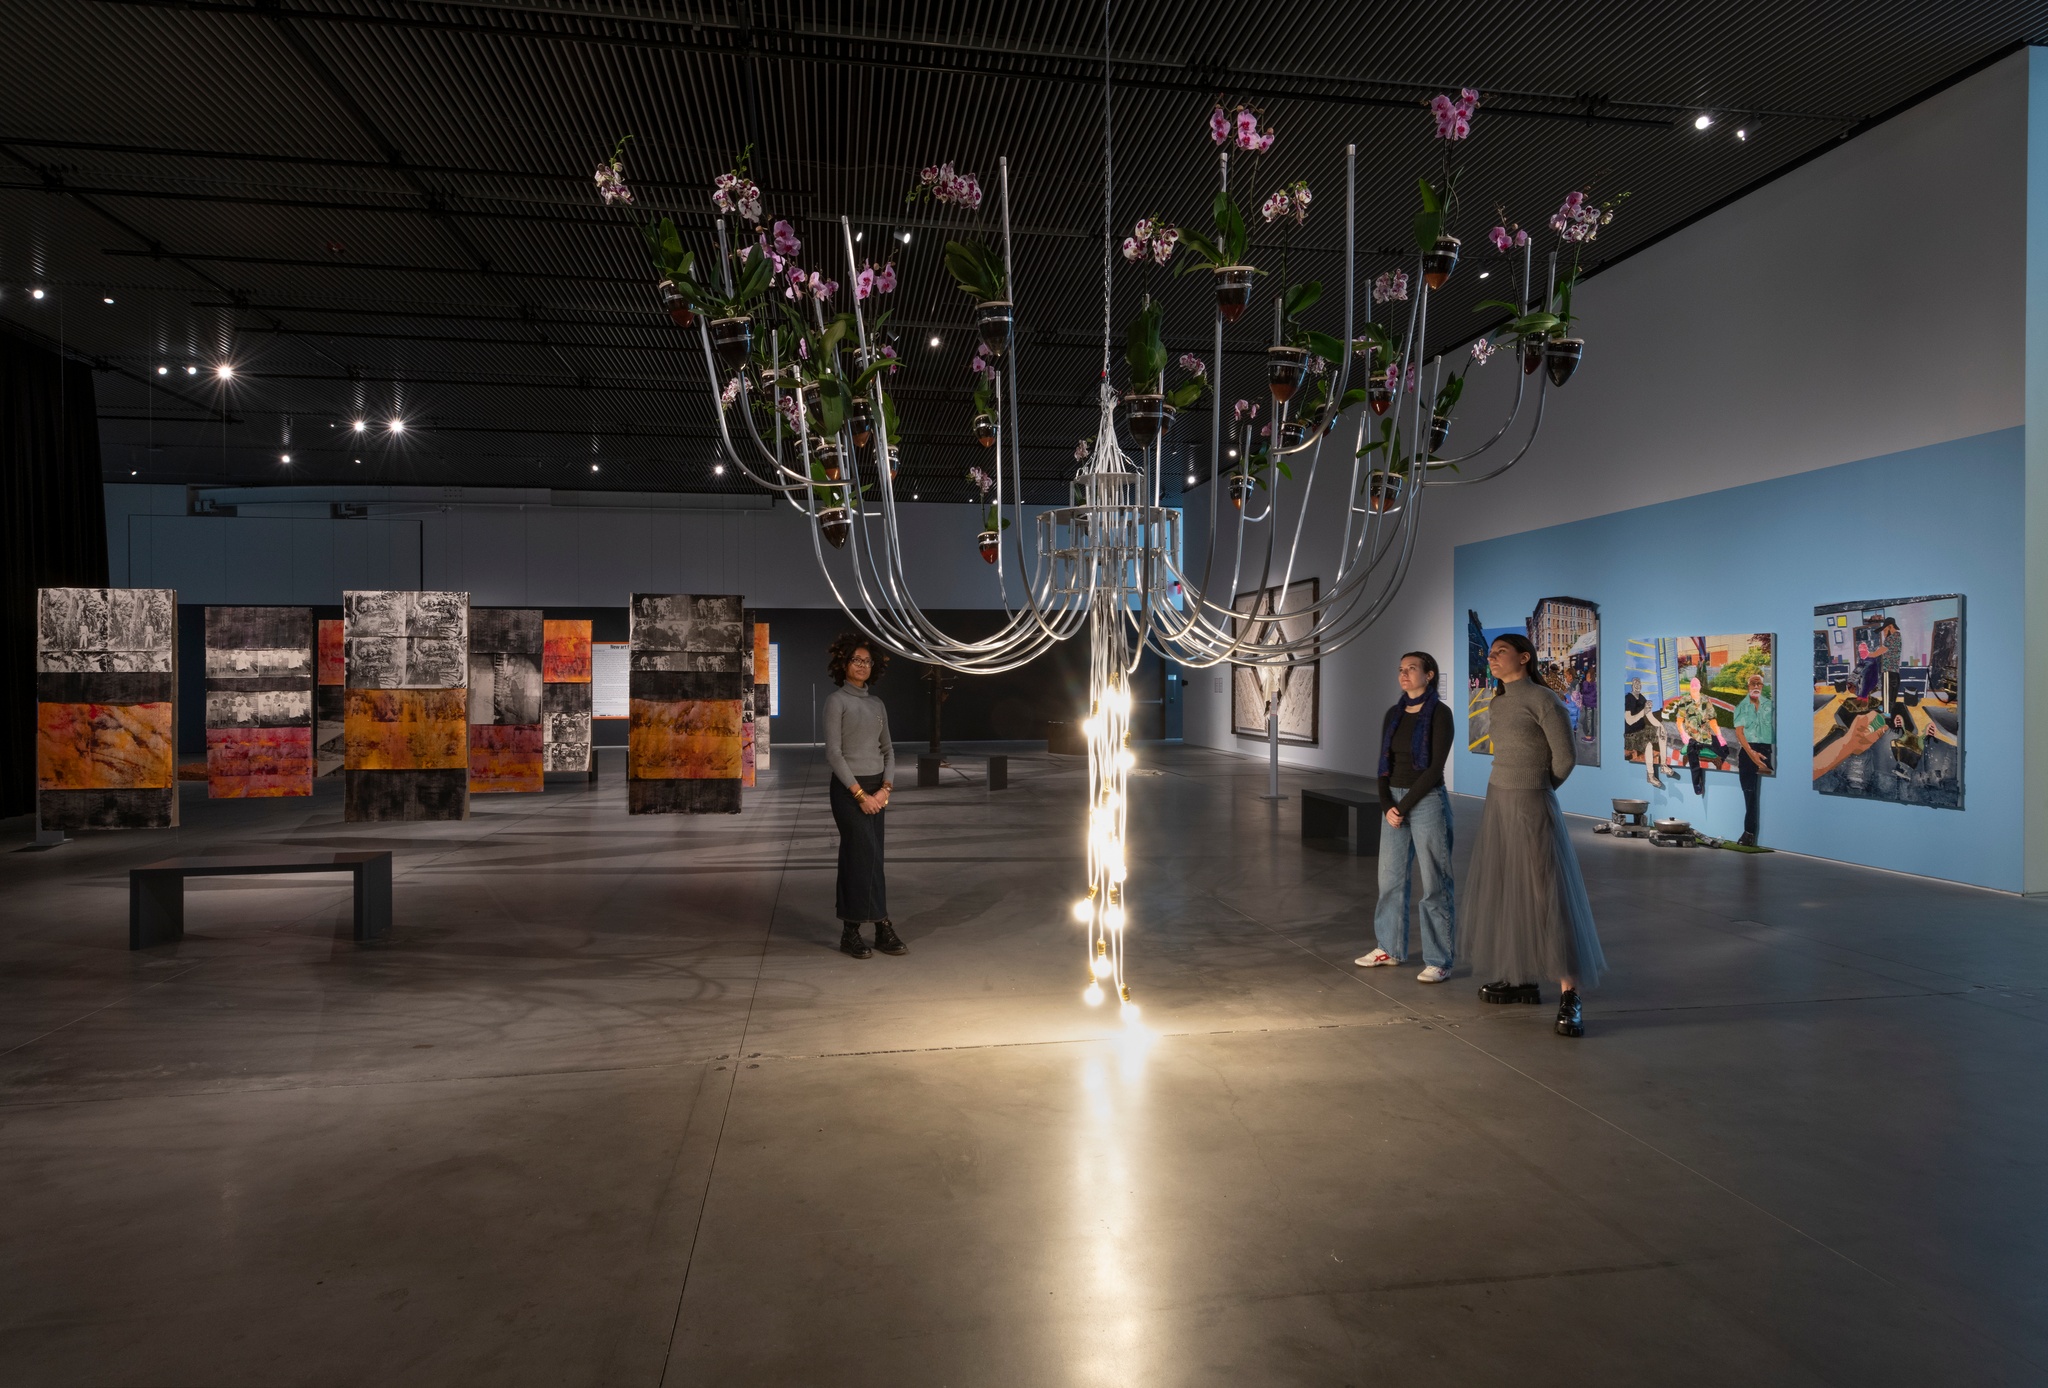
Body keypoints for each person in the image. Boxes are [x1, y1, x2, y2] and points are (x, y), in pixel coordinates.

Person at [1462, 633, 1606, 1038]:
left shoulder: (1544, 701)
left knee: (1548, 892)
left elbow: (1565, 758)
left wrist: (1538, 791)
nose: (1491, 658)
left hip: (1530, 801)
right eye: (1490, 653)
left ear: (1524, 658)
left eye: (1500, 652)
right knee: (1509, 887)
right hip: (1499, 799)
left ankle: (1569, 993)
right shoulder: (1500, 701)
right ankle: (1519, 976)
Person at [1354, 651, 1457, 983]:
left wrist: (1405, 805)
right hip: (1395, 803)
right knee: (1390, 880)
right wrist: (1388, 805)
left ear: (1429, 675)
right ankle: (1389, 947)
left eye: (1412, 668)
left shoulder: (1441, 714)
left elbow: (1435, 767)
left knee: (1434, 884)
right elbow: (1384, 763)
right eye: (1401, 669)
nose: (1404, 673)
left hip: (1426, 801)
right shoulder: (1393, 714)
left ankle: (1439, 959)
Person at [823, 633, 904, 959]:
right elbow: (834, 753)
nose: (862, 665)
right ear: (843, 663)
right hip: (849, 791)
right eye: (856, 660)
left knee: (872, 857)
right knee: (861, 856)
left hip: (876, 790)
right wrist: (860, 794)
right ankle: (870, 926)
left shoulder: (877, 704)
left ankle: (862, 928)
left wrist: (885, 788)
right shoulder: (836, 701)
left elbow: (888, 750)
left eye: (867, 661)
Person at [1729, 671, 1773, 847]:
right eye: (1753, 683)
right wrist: (1751, 753)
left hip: (1767, 748)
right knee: (1749, 793)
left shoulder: (1770, 706)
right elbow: (1739, 733)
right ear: (1748, 687)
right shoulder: (1741, 707)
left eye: (1759, 684)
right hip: (1748, 750)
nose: (1756, 686)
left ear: (1762, 687)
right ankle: (1749, 832)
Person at [1670, 675, 1726, 796]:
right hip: (1692, 739)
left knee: (1724, 750)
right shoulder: (1684, 701)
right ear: (1690, 687)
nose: (1694, 686)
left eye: (1697, 684)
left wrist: (1719, 735)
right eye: (1692, 685)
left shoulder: (1706, 700)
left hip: (1706, 737)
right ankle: (1697, 784)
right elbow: (1679, 721)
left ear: (1700, 687)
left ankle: (1719, 778)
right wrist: (1683, 734)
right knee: (1693, 756)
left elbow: (1712, 720)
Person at [1621, 676, 1666, 787]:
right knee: (1649, 745)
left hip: (1642, 730)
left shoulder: (1642, 698)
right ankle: (1650, 776)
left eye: (1639, 684)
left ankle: (1664, 765)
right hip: (1631, 734)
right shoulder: (1628, 699)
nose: (1637, 686)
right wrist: (1643, 712)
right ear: (1632, 686)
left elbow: (1650, 717)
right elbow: (1629, 721)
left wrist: (1660, 726)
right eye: (1635, 684)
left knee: (1662, 733)